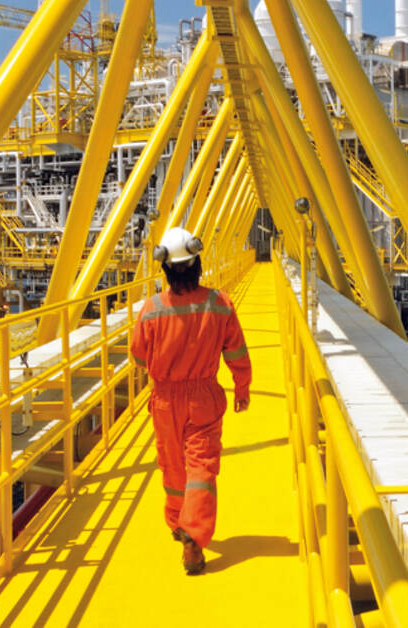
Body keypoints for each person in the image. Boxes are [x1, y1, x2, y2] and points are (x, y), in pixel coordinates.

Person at [130, 226, 252, 575]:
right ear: (198, 263)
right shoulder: (219, 303)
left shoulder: (151, 310)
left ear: (165, 269)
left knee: (173, 467)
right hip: (204, 397)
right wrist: (242, 388)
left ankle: (177, 522)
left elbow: (138, 357)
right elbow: (237, 352)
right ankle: (194, 539)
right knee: (201, 468)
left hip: (165, 399)